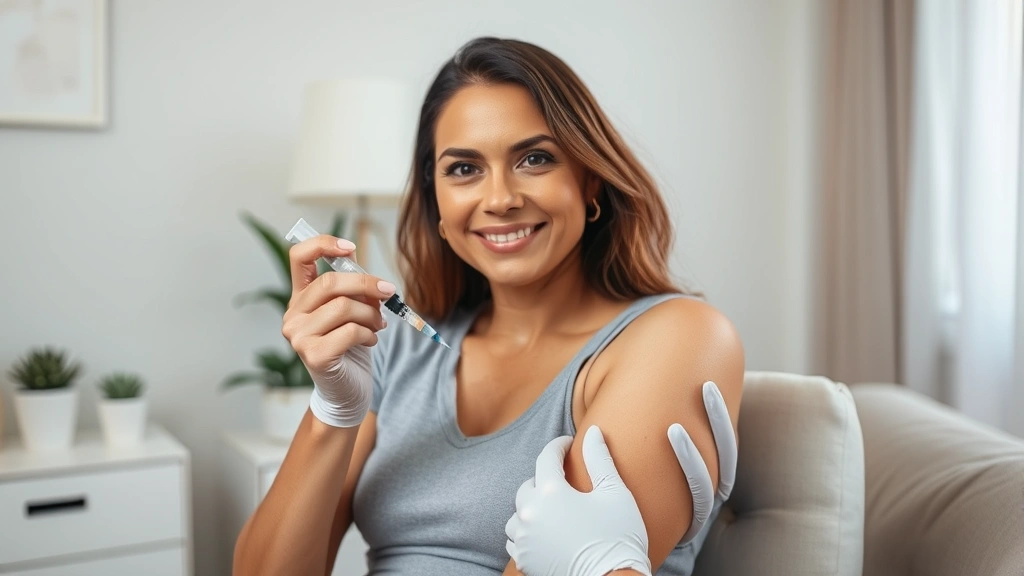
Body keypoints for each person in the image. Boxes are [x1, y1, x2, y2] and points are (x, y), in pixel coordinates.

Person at [233, 37, 744, 576]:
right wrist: (331, 415)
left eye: (535, 158)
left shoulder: (677, 337)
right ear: (437, 206)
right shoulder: (398, 349)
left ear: (589, 180)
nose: (499, 199)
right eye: (463, 170)